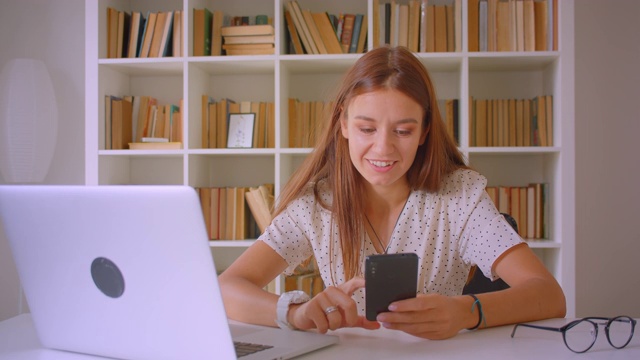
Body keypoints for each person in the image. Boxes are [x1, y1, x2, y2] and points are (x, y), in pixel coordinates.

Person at [218, 46, 566, 340]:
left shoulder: (460, 197)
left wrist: (465, 312)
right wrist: (294, 313)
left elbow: (549, 294)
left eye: (402, 130)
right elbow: (225, 287)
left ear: (425, 131)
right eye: (366, 128)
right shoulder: (316, 204)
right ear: (343, 124)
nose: (382, 149)